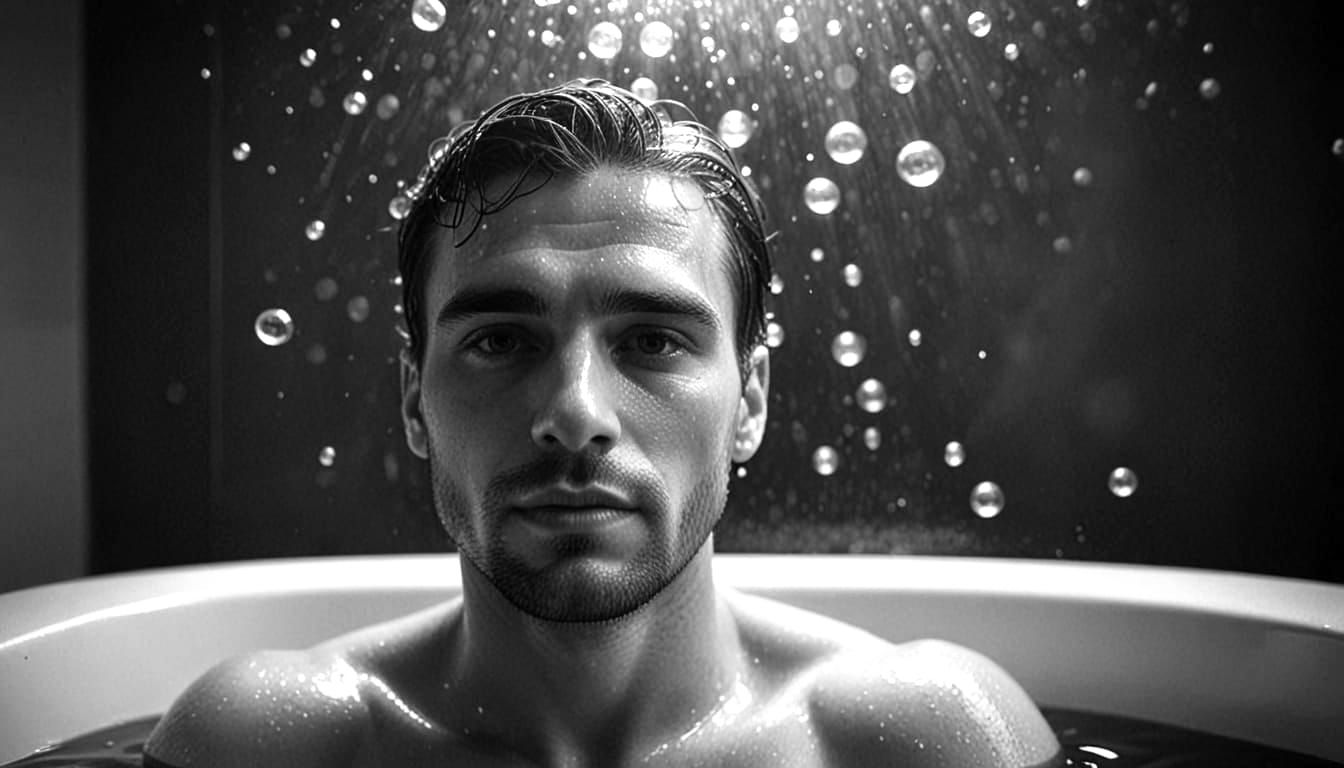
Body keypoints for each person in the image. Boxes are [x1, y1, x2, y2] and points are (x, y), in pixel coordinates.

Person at [144, 79, 1060, 767]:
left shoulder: (931, 740)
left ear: (750, 400)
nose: (574, 413)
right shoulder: (260, 746)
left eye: (654, 340)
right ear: (413, 394)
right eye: (502, 340)